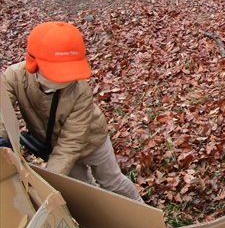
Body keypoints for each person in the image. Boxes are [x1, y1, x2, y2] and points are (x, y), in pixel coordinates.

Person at [0, 22, 144, 203]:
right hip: (56, 148)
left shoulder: (80, 90)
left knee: (112, 181)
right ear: (34, 62)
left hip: (92, 141)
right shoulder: (14, 78)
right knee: (83, 189)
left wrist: (48, 181)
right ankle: (102, 217)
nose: (67, 79)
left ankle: (142, 210)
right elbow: (1, 110)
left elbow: (71, 142)